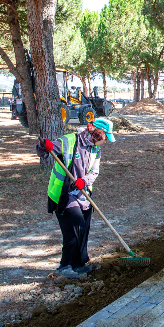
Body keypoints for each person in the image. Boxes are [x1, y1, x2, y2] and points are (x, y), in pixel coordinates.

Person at [36, 117, 115, 279]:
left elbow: (94, 172)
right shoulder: (70, 141)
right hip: (63, 194)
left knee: (83, 228)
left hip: (82, 193)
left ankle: (78, 264)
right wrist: (43, 146)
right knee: (74, 226)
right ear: (96, 132)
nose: (105, 141)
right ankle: (64, 266)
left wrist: (84, 181)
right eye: (105, 137)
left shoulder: (96, 148)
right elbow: (45, 151)